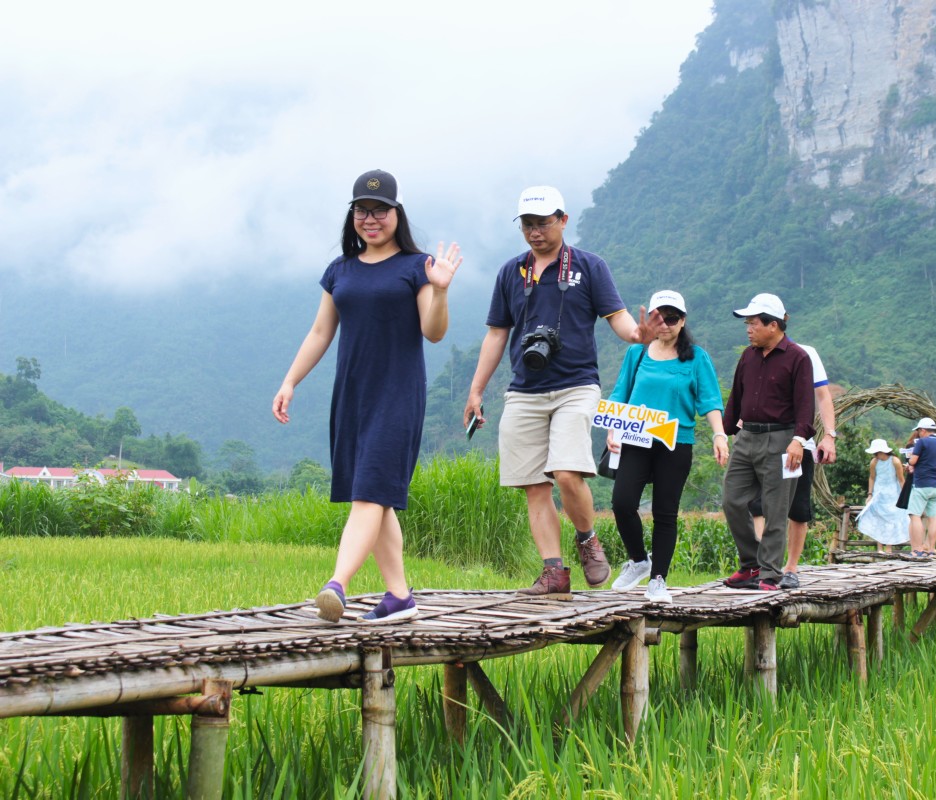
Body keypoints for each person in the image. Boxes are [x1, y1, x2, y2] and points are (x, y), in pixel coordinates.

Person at [273, 169, 461, 623]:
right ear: (352, 215)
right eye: (362, 210)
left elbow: (433, 333)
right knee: (375, 496)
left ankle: (336, 584)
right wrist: (290, 381)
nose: (370, 219)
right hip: (353, 395)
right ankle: (399, 597)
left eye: (380, 211)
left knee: (369, 493)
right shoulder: (340, 269)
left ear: (397, 214)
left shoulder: (417, 268)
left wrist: (439, 291)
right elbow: (321, 331)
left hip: (398, 395)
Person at [462, 186, 662, 598]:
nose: (535, 232)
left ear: (563, 220)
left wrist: (638, 336)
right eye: (528, 225)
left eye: (543, 223)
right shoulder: (510, 273)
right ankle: (554, 571)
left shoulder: (589, 266)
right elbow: (497, 334)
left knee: (567, 472)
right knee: (535, 485)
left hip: (575, 386)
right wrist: (476, 390)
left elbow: (619, 317)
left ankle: (587, 539)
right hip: (524, 391)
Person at [606, 290, 728, 603]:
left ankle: (658, 579)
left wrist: (719, 435)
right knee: (622, 501)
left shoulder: (696, 357)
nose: (665, 325)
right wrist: (613, 427)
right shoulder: (638, 352)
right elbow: (620, 392)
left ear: (683, 321)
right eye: (659, 318)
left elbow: (710, 400)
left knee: (665, 512)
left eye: (672, 318)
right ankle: (638, 561)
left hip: (676, 441)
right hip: (637, 435)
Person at [721, 293, 815, 591]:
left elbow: (805, 404)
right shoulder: (748, 355)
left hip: (782, 440)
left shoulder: (798, 357)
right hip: (746, 436)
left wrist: (799, 440)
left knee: (776, 508)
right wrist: (723, 433)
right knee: (732, 500)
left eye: (753, 323)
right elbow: (736, 396)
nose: (748, 329)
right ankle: (750, 565)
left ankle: (769, 574)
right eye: (747, 323)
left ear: (773, 325)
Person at [746, 343, 838, 587]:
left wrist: (829, 436)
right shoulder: (754, 354)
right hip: (759, 443)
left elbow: (823, 395)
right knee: (757, 505)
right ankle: (763, 565)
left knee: (797, 507)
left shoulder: (805, 353)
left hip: (798, 444)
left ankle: (791, 567)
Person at [855, 438, 910, 550]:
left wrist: (905, 495)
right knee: (879, 519)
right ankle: (879, 548)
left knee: (891, 519)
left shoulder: (894, 461)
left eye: (877, 453)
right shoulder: (874, 462)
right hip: (879, 494)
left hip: (893, 494)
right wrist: (870, 494)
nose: (876, 455)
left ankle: (888, 547)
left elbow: (900, 479)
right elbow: (872, 477)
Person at [906, 417, 936, 556]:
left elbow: (913, 461)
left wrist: (911, 461)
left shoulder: (922, 442)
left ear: (923, 430)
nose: (918, 433)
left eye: (919, 431)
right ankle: (931, 549)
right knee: (932, 517)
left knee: (915, 516)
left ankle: (917, 549)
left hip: (921, 484)